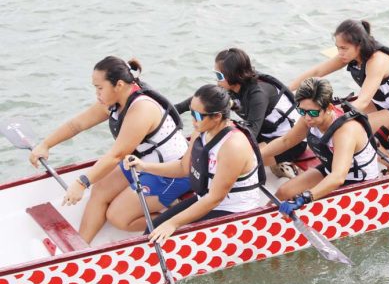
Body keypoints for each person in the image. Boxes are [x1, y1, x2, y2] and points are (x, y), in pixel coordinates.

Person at [29, 57, 190, 243]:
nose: (96, 93)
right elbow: (77, 124)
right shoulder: (113, 101)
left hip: (173, 171)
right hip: (142, 164)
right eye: (95, 87)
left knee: (118, 217)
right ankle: (81, 247)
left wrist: (81, 183)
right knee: (100, 190)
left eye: (99, 88)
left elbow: (117, 155)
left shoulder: (142, 108)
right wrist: (45, 145)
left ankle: (182, 218)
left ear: (119, 85)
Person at [126, 84, 264, 243]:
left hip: (234, 209)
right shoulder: (201, 131)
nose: (192, 120)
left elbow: (215, 198)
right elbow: (182, 167)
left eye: (197, 116)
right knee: (153, 228)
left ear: (217, 116)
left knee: (167, 235)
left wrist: (172, 224)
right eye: (191, 112)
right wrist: (144, 166)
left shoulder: (233, 146)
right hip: (206, 198)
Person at [176, 48, 305, 179]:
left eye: (219, 76)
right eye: (215, 74)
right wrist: (175, 110)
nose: (217, 80)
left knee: (233, 160)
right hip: (263, 129)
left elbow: (251, 135)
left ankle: (283, 164)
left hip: (288, 140)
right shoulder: (231, 85)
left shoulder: (258, 95)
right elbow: (205, 100)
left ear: (233, 75)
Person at [261, 77, 381, 215]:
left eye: (312, 112)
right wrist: (255, 158)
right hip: (330, 168)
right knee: (283, 192)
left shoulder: (345, 131)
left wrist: (305, 197)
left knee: (307, 207)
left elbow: (338, 177)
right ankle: (261, 220)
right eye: (301, 111)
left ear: (329, 108)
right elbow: (286, 141)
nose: (306, 118)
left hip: (358, 182)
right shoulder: (309, 116)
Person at [289, 19, 389, 142]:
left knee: (346, 130)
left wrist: (333, 117)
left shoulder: (377, 61)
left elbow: (363, 101)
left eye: (344, 48)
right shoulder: (350, 55)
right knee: (319, 117)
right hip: (379, 104)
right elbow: (317, 72)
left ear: (359, 45)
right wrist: (285, 91)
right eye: (338, 48)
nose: (340, 53)